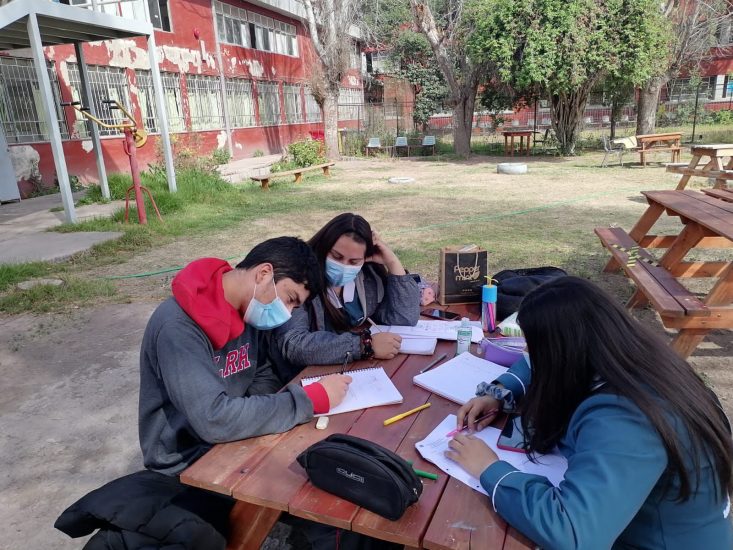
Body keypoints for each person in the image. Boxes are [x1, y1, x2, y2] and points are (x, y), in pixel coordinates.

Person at [446, 276, 733, 549]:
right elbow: (535, 365)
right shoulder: (633, 358)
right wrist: (499, 391)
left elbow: (573, 534)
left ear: (564, 352)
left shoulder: (626, 419)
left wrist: (491, 470)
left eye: (534, 348)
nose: (528, 356)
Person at [139, 236, 351, 475]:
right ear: (263, 274)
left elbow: (261, 377)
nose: (288, 313)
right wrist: (309, 400)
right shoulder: (178, 326)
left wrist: (281, 415)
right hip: (185, 463)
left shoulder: (248, 312)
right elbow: (213, 418)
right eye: (290, 299)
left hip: (236, 440)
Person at [273, 213, 420, 383]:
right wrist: (364, 345)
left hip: (345, 372)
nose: (343, 266)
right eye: (336, 257)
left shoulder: (368, 277)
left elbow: (404, 317)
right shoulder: (299, 281)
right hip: (300, 378)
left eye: (354, 261)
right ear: (323, 246)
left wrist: (393, 262)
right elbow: (294, 345)